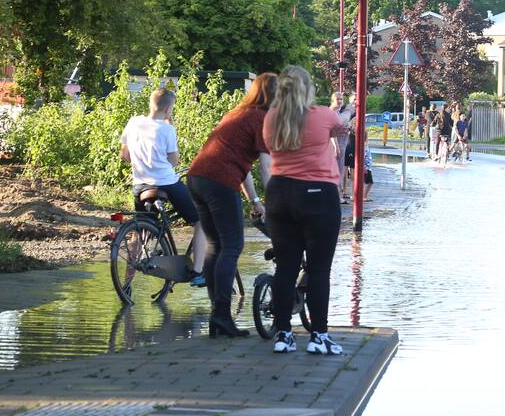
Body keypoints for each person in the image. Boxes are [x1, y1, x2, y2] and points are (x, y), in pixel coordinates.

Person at [263, 65, 355, 355]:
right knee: (319, 269)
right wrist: (349, 113)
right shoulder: (321, 115)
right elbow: (344, 126)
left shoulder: (270, 118)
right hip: (318, 196)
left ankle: (283, 335)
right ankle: (319, 336)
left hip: (279, 194)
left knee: (285, 266)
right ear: (308, 89)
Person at [186, 73, 275, 338]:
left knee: (216, 246)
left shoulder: (237, 113)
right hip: (219, 182)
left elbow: (243, 164)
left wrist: (255, 200)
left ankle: (218, 317)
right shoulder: (260, 118)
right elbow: (265, 167)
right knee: (233, 245)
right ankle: (222, 316)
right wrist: (276, 200)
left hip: (197, 178)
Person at [120, 88, 206, 285]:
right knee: (201, 221)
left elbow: (124, 156)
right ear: (168, 108)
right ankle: (198, 272)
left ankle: (126, 284)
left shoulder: (133, 123)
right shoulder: (167, 129)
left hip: (140, 185)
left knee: (139, 232)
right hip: (167, 182)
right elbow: (174, 161)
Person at [331, 92, 355, 205]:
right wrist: (335, 146)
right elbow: (332, 130)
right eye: (338, 99)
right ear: (333, 100)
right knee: (336, 170)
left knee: (339, 170)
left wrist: (348, 128)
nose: (340, 101)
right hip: (336, 146)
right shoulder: (332, 112)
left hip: (342, 144)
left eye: (341, 99)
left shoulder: (338, 112)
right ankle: (336, 196)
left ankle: (338, 195)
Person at [362, 132, 374, 201]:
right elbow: (363, 157)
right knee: (369, 182)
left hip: (368, 167)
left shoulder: (366, 146)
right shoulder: (364, 147)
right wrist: (364, 167)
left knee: (368, 182)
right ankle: (364, 196)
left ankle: (364, 195)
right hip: (366, 167)